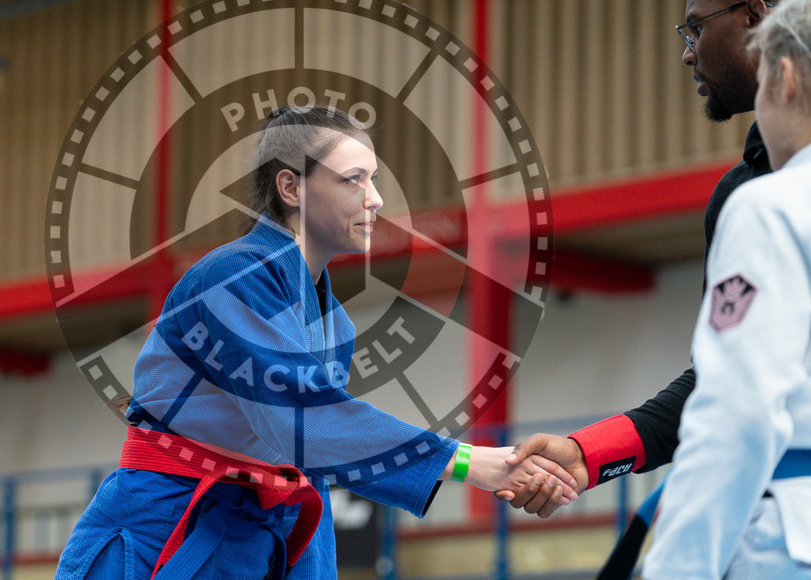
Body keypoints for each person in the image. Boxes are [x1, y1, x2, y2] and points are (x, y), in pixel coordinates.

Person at [55, 105, 577, 580]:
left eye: (373, 180)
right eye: (353, 180)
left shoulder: (336, 325)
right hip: (163, 531)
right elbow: (303, 422)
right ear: (292, 187)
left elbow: (318, 457)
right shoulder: (230, 279)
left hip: (261, 538)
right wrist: (467, 462)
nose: (374, 199)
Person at [497, 0, 811, 519]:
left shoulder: (759, 205)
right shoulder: (744, 191)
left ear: (756, 19)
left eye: (696, 28)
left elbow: (727, 397)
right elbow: (716, 379)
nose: (689, 52)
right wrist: (586, 453)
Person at [642, 0, 811, 578]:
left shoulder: (772, 205)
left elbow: (736, 408)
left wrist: (674, 568)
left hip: (787, 535)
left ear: (784, 79)